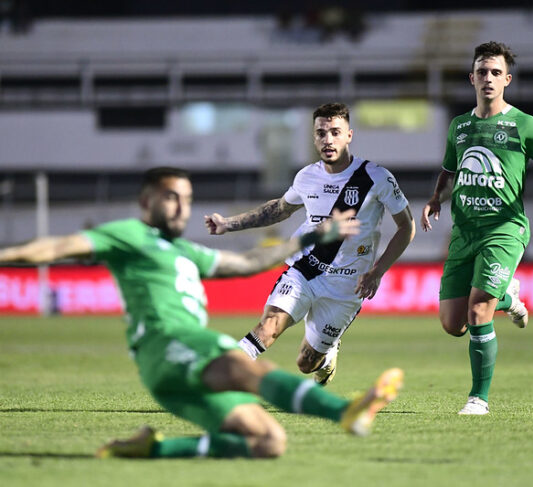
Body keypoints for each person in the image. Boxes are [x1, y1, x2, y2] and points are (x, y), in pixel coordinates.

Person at [0, 167, 404, 459]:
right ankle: (346, 412)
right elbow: (53, 249)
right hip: (173, 343)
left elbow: (247, 263)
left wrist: (315, 235)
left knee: (267, 442)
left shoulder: (185, 251)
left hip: (168, 374)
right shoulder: (129, 235)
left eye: (187, 199)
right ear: (146, 201)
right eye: (171, 197)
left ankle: (153, 448)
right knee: (248, 369)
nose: (181, 207)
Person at [205, 102, 416, 385]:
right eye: (321, 133)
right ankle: (218, 380)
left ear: (349, 135)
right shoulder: (307, 177)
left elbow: (406, 227)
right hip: (305, 270)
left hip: (347, 286)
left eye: (335, 132)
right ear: (314, 137)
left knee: (306, 363)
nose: (327, 140)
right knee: (268, 327)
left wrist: (377, 272)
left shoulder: (376, 177)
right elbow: (278, 209)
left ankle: (327, 356)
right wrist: (228, 224)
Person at [420, 42, 533, 415]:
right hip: (464, 232)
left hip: (505, 230)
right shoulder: (460, 126)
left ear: (507, 79)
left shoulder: (525, 125)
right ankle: (508, 297)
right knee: (452, 324)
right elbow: (449, 170)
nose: (488, 78)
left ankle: (478, 399)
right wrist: (436, 199)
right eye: (482, 72)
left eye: (495, 72)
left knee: (477, 313)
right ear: (472, 78)